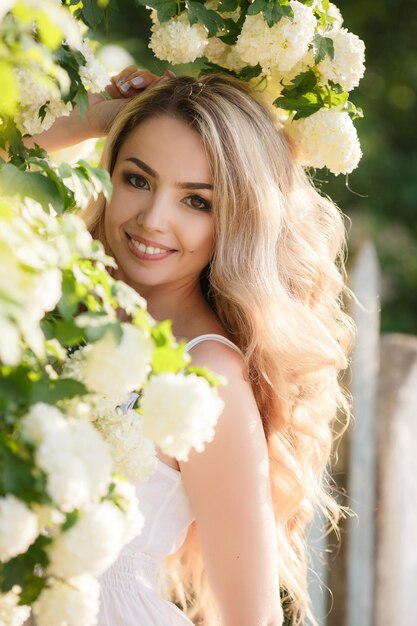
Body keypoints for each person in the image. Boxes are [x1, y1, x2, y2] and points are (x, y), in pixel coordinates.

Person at [24, 66, 354, 626]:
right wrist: (94, 117)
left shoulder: (208, 375)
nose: (153, 220)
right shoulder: (55, 299)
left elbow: (252, 618)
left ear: (237, 218)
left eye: (196, 202)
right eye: (138, 179)